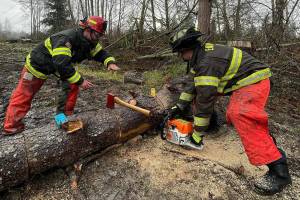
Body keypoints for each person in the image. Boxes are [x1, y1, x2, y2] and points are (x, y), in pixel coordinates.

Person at [168, 27, 292, 195]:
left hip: (254, 80)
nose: (180, 57)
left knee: (239, 113)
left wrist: (196, 137)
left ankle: (279, 171)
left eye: (180, 53)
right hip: (241, 80)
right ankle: (211, 126)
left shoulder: (206, 62)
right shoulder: (201, 57)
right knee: (202, 92)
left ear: (185, 50)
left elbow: (205, 100)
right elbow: (192, 85)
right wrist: (179, 106)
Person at [3, 16, 120, 135]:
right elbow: (62, 64)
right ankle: (11, 127)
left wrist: (109, 62)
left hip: (56, 66)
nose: (98, 38)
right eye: (97, 35)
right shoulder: (66, 39)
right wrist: (81, 81)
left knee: (71, 85)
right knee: (24, 94)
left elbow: (100, 53)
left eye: (100, 36)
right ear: (87, 29)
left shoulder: (89, 41)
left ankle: (65, 116)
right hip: (36, 66)